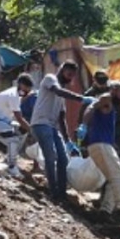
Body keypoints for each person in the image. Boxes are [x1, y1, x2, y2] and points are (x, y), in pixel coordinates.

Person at [29, 61, 96, 203]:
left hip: (52, 127)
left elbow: (61, 118)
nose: (70, 78)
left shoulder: (62, 93)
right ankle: (53, 193)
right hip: (40, 123)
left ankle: (62, 193)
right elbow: (57, 91)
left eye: (72, 76)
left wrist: (68, 141)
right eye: (68, 74)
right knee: (51, 156)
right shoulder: (50, 79)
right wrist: (81, 99)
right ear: (62, 70)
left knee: (63, 159)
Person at [78, 93, 120, 223]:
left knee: (113, 177)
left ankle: (105, 211)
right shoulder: (107, 98)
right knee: (119, 174)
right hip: (101, 144)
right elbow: (91, 107)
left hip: (99, 145)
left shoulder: (112, 107)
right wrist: (84, 124)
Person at [0, 73, 35, 178]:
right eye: (26, 89)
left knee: (22, 131)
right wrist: (33, 131)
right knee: (13, 139)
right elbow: (19, 118)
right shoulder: (13, 95)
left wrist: (28, 129)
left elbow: (20, 102)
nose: (27, 92)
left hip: (4, 121)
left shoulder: (15, 93)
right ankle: (12, 166)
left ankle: (9, 157)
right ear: (21, 85)